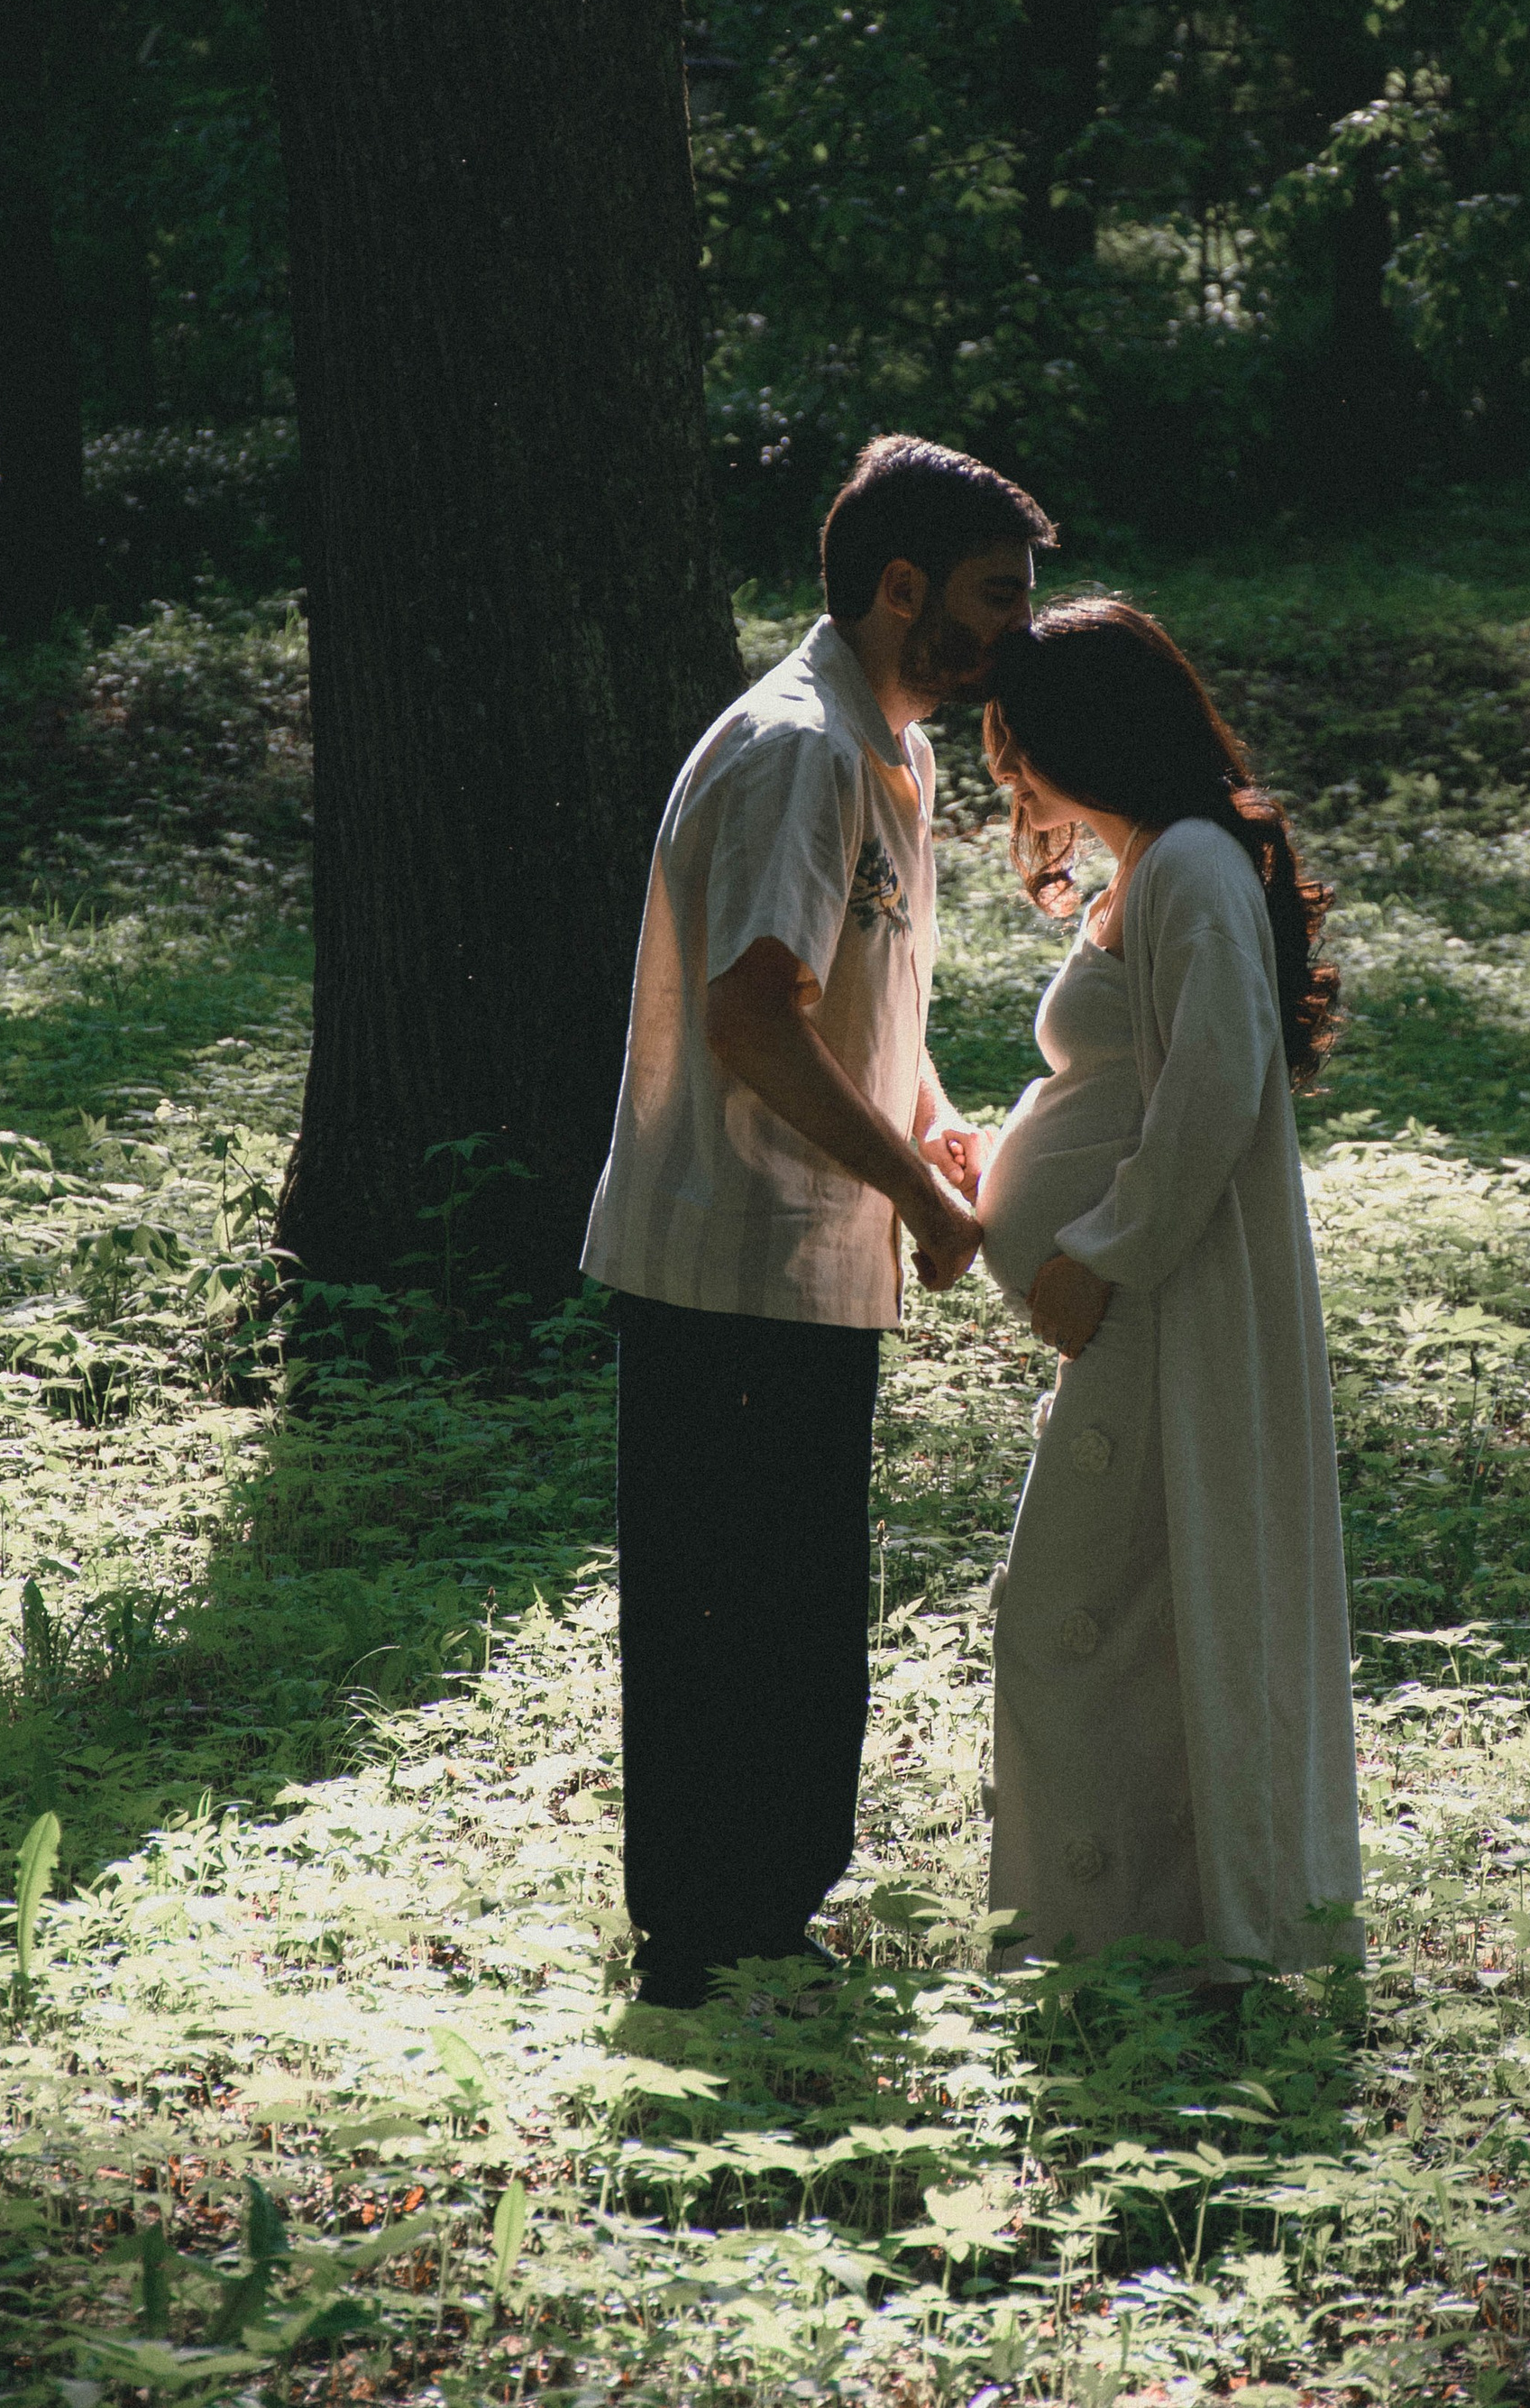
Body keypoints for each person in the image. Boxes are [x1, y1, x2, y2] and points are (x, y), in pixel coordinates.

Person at [583, 434, 1057, 2010]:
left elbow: (849, 1002)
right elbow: (751, 1019)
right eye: (995, 598)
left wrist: (928, 1117)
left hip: (802, 1261)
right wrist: (921, 1189)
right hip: (728, 1254)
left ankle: (767, 1929)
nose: (1016, 635)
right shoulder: (803, 747)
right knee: (733, 1622)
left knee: (792, 1619)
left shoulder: (890, 750)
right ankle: (712, 1951)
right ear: (899, 587)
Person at [975, 599, 1362, 1982]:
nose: (1006, 771)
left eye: (1018, 740)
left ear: (1087, 730)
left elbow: (1216, 1082)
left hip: (1163, 1299)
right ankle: (1131, 1927)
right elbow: (1126, 1082)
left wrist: (1103, 1252)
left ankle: (1147, 1934)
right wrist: (1001, 1156)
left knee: (1080, 1611)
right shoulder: (1154, 864)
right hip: (1133, 1297)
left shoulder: (1191, 863)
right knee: (1125, 1613)